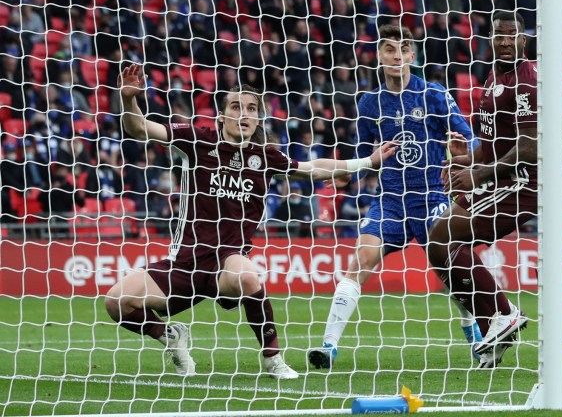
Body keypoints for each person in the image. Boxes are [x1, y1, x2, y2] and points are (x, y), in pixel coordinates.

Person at [104, 64, 396, 379]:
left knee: (247, 276)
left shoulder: (265, 157)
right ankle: (170, 337)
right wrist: (129, 101)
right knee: (116, 301)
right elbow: (140, 129)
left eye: (251, 109)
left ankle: (273, 359)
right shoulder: (197, 140)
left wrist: (368, 161)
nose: (244, 114)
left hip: (227, 262)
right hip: (185, 261)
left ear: (257, 118)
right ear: (221, 115)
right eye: (236, 107)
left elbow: (314, 168)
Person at [309, 25, 479, 370]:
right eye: (389, 49)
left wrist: (462, 150)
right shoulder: (370, 103)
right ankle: (328, 346)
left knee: (450, 269)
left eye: (402, 48)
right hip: (389, 199)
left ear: (412, 56)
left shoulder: (432, 93)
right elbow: (359, 155)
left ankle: (476, 339)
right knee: (362, 259)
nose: (396, 55)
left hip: (431, 195)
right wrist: (341, 174)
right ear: (380, 57)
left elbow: (470, 139)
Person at [427, 11, 537, 368]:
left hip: (520, 183)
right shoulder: (494, 76)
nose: (504, 41)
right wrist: (467, 160)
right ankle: (497, 322)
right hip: (493, 178)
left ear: (524, 39)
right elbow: (493, 143)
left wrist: (479, 174)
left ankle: (501, 315)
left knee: (442, 239)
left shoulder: (527, 80)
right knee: (438, 246)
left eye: (512, 34)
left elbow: (531, 146)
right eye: (498, 34)